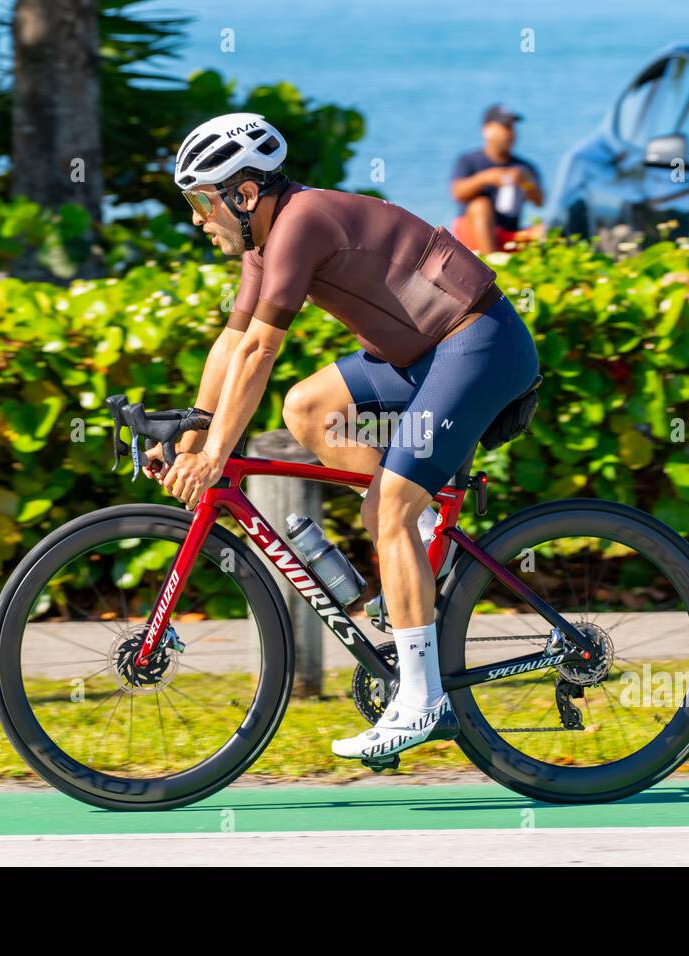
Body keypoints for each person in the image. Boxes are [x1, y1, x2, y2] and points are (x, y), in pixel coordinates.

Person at [151, 112, 540, 761]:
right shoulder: (262, 246)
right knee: (306, 407)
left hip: (477, 346)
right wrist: (194, 439)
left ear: (244, 195)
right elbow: (231, 344)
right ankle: (414, 527)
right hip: (419, 354)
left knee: (387, 506)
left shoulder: (299, 223)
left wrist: (218, 455)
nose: (197, 219)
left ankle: (422, 701)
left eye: (200, 202)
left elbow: (261, 353)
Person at [450, 104, 546, 253]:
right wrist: (486, 178)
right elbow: (457, 193)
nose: (510, 133)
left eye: (512, 127)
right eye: (505, 126)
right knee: (480, 205)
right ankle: (490, 265)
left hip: (508, 231)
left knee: (547, 228)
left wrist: (526, 183)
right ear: (487, 130)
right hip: (472, 233)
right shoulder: (469, 160)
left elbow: (540, 202)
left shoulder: (524, 167)